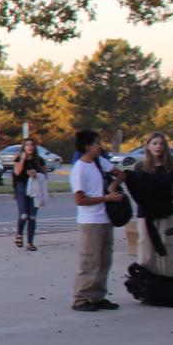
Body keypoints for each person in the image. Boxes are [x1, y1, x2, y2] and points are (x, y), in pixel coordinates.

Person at [68, 129, 124, 312]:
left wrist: (112, 186)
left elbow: (122, 174)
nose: (101, 146)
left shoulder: (101, 163)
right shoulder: (79, 169)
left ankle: (98, 296)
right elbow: (80, 200)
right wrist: (106, 198)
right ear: (87, 146)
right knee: (90, 261)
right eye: (97, 143)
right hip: (90, 222)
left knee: (104, 260)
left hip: (105, 219)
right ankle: (81, 298)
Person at [122, 133, 173, 278]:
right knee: (146, 250)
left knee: (168, 248)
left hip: (166, 213)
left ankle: (168, 282)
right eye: (154, 143)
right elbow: (136, 190)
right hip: (147, 214)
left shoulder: (172, 166)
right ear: (148, 146)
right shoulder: (140, 167)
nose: (158, 146)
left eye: (161, 143)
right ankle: (145, 283)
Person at [10, 137, 51, 252]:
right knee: (24, 215)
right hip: (22, 187)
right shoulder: (18, 158)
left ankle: (30, 242)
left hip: (35, 189)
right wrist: (23, 160)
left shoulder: (40, 160)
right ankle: (19, 234)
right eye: (27, 145)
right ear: (24, 147)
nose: (30, 147)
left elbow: (45, 176)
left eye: (32, 145)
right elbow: (17, 172)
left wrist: (36, 174)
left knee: (32, 217)